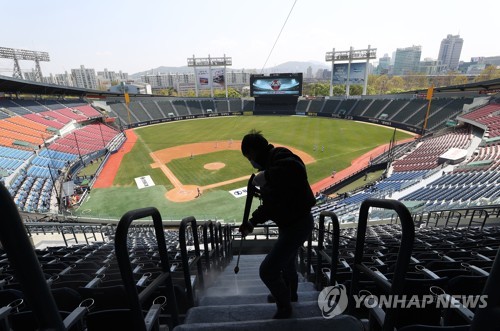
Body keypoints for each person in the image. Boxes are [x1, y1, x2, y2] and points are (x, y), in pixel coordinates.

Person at [238, 130, 316, 319]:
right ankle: (291, 295)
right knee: (287, 265)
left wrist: (267, 176)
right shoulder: (270, 165)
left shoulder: (279, 155)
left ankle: (284, 307)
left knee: (268, 270)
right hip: (290, 225)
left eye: (249, 156)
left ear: (255, 151)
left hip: (298, 224)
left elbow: (296, 169)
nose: (251, 161)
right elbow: (270, 206)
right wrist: (252, 222)